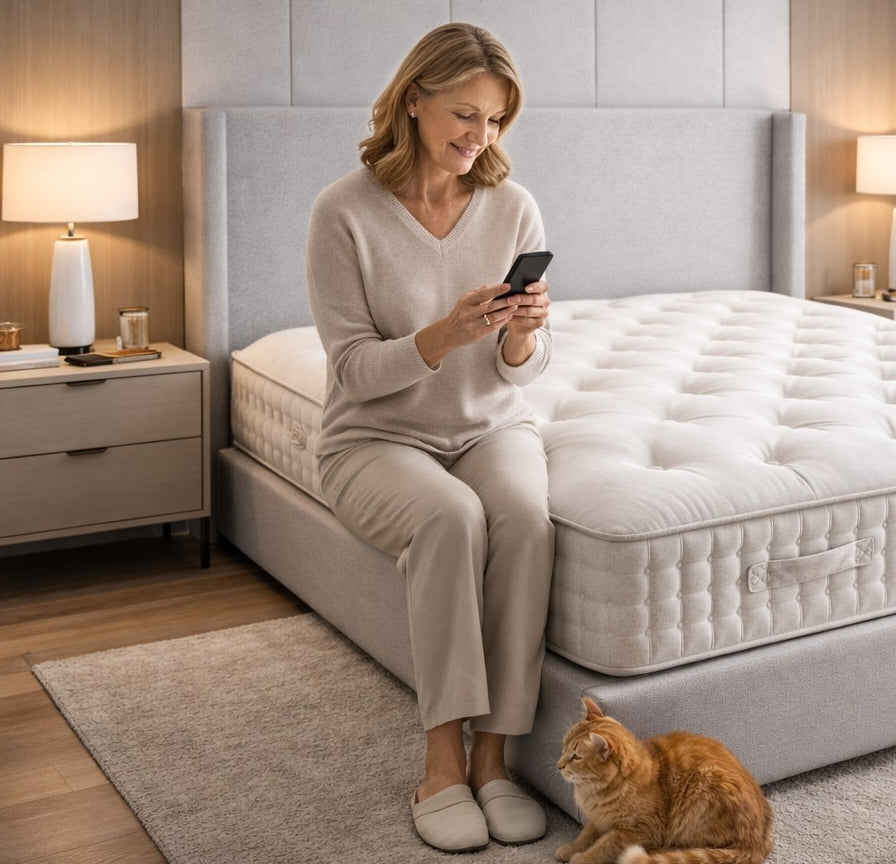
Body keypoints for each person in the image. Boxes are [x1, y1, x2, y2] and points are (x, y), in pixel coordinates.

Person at [305, 22, 553, 853]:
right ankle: (442, 764)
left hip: (489, 427)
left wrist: (521, 335)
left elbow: (524, 371)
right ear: (413, 101)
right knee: (451, 517)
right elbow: (351, 373)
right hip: (375, 440)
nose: (481, 137)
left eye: (496, 120)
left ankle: (494, 759)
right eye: (464, 115)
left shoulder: (513, 206)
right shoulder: (343, 213)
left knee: (524, 518)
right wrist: (445, 335)